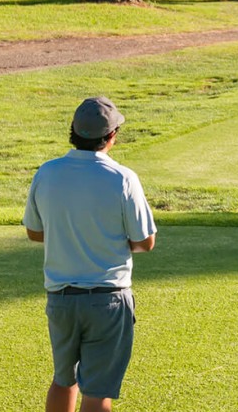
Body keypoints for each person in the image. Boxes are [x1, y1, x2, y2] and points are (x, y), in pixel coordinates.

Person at [23, 96, 158, 412]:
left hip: (61, 299)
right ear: (111, 136)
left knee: (63, 380)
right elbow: (146, 241)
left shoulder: (47, 173)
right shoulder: (123, 178)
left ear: (73, 130)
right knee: (97, 393)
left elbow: (34, 232)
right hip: (107, 300)